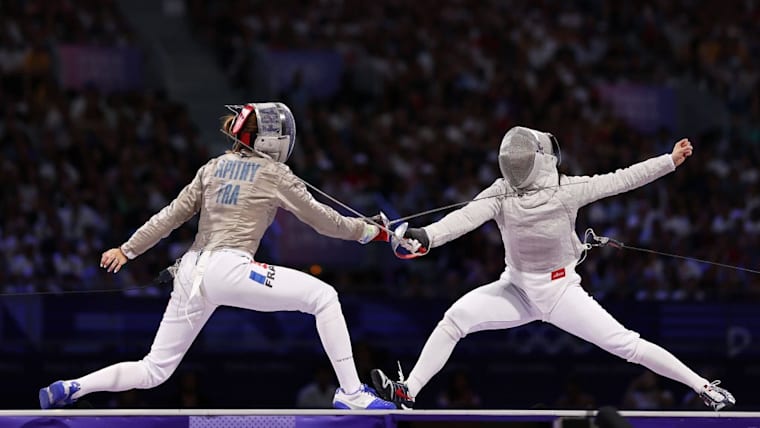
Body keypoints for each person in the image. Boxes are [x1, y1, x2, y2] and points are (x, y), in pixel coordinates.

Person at [38, 102, 394, 410]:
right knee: (325, 297)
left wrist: (126, 249)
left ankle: (71, 386)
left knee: (153, 370)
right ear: (271, 141)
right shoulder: (274, 173)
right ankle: (352, 392)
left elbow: (170, 215)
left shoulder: (212, 168)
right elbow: (325, 221)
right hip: (230, 269)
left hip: (191, 271)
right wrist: (370, 231)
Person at [371, 126, 735, 411]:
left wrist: (668, 161)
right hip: (515, 288)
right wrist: (425, 237)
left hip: (561, 292)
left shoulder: (567, 191)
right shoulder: (501, 193)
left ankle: (703, 386)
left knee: (626, 344)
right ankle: (409, 390)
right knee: (454, 319)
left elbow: (622, 179)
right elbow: (463, 218)